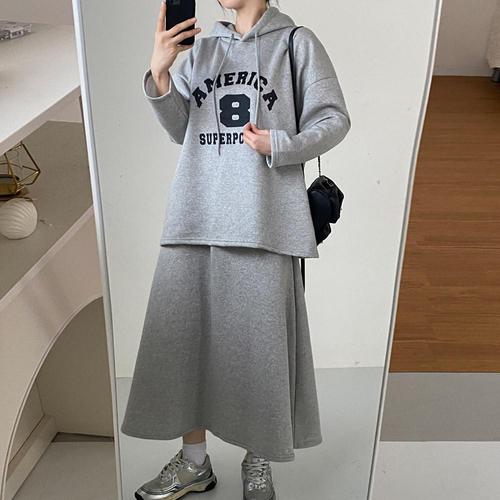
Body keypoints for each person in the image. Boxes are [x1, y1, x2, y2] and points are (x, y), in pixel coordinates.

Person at [120, 0, 351, 499]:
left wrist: (280, 145)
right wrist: (160, 72)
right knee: (186, 343)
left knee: (258, 352)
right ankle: (194, 463)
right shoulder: (203, 48)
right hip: (196, 214)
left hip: (263, 220)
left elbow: (334, 119)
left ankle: (258, 460)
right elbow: (180, 128)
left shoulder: (295, 43)